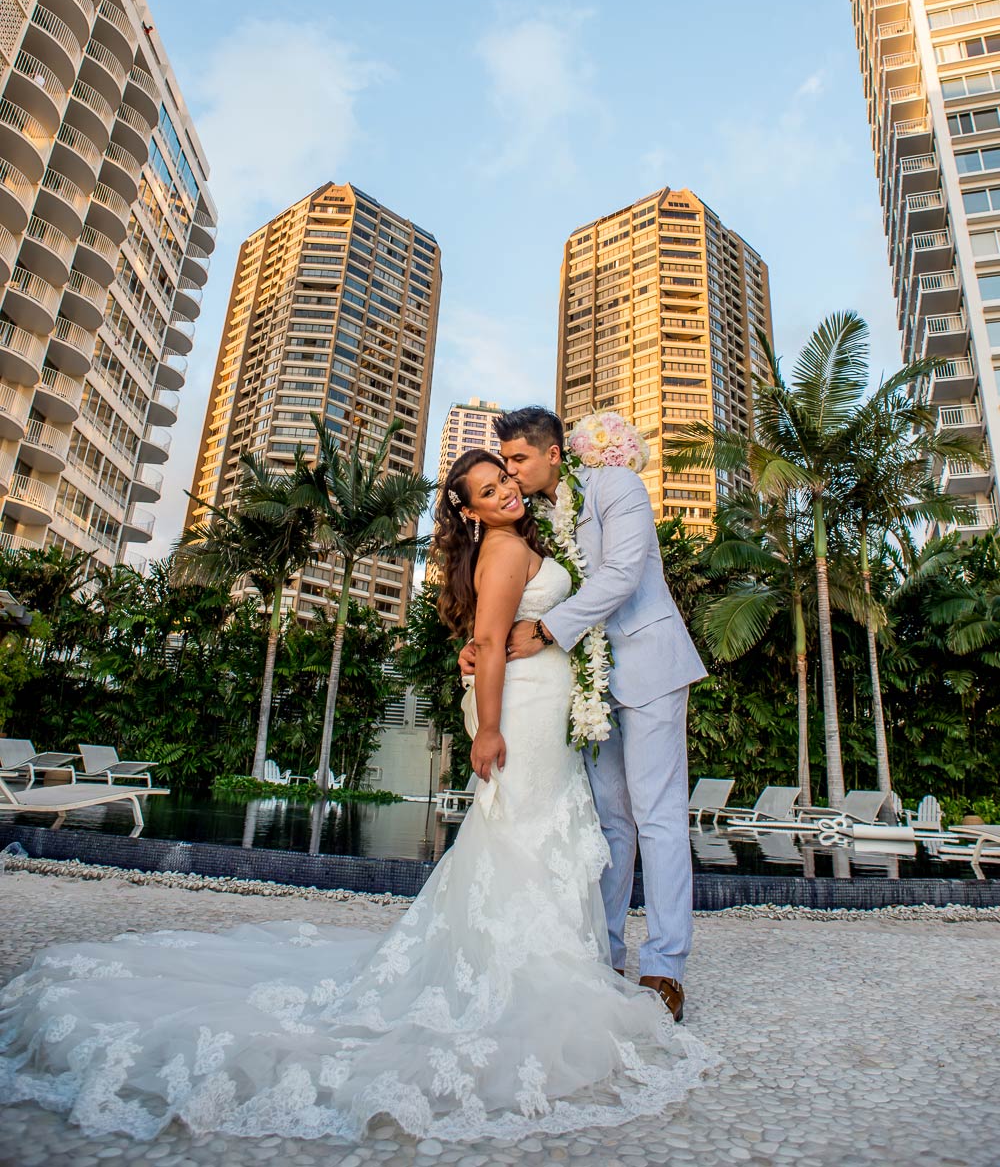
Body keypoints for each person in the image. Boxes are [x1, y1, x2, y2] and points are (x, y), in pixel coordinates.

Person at [0, 448, 711, 1144]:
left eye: (509, 476)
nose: (507, 490)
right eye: (491, 486)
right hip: (520, 715)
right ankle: (532, 970)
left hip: (559, 702)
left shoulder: (544, 526)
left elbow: (534, 615)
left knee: (553, 832)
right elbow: (491, 641)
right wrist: (487, 725)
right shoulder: (502, 548)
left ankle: (576, 958)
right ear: (466, 510)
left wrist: (511, 644)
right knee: (525, 833)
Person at [474, 406, 707, 1022]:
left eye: (519, 459)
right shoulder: (541, 518)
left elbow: (624, 573)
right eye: (506, 462)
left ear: (555, 453)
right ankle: (602, 956)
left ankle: (665, 968)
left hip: (651, 664)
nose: (511, 472)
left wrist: (549, 629)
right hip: (590, 688)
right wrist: (481, 642)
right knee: (612, 822)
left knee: (657, 816)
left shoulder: (616, 485)